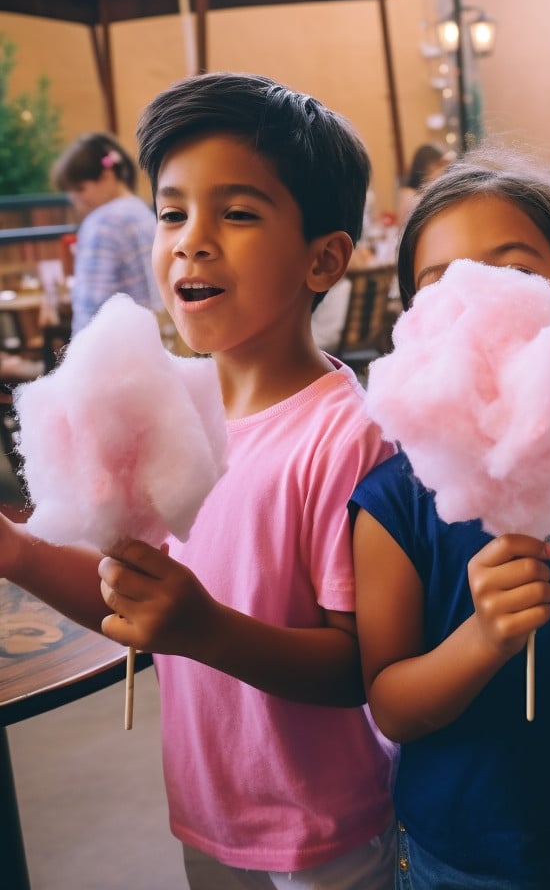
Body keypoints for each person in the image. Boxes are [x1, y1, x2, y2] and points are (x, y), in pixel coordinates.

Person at [0, 73, 397, 889]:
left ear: (323, 257)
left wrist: (204, 628)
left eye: (238, 213)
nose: (191, 239)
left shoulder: (347, 437)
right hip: (208, 812)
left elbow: (358, 666)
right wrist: (17, 553)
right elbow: (131, 595)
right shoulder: (168, 410)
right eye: (173, 212)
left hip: (326, 831)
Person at [350, 155, 550, 889]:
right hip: (447, 856)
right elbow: (390, 703)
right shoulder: (394, 498)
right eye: (440, 285)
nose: (476, 302)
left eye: (513, 274)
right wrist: (484, 637)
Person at [50, 132, 162, 335]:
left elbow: (91, 305)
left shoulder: (103, 223)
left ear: (106, 176)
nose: (75, 200)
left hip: (112, 344)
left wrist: (78, 356)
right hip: (148, 335)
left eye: (81, 189)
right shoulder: (142, 212)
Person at [393, 143, 455, 226]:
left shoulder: (436, 191)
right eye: (439, 165)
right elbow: (400, 227)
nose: (444, 170)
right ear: (426, 167)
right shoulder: (409, 195)